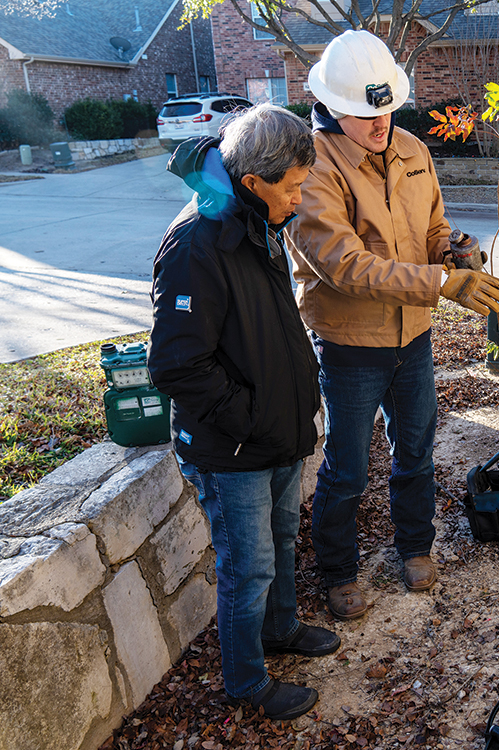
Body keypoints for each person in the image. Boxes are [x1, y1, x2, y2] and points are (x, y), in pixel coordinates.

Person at [286, 30, 499, 620]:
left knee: (414, 449)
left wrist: (455, 254)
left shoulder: (412, 149)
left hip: (413, 336)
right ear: (332, 107)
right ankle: (337, 571)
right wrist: (440, 284)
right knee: (348, 464)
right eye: (364, 111)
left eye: (385, 107)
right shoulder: (312, 168)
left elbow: (432, 229)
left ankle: (414, 546)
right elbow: (346, 268)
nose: (380, 121)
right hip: (349, 344)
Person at [148, 104, 339, 722]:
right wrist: (253, 418)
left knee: (283, 542)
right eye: (292, 188)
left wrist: (289, 409)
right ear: (254, 182)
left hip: (275, 432)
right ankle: (246, 683)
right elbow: (178, 365)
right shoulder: (196, 242)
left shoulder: (256, 221)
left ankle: (280, 629)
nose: (300, 199)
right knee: (247, 566)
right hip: (235, 446)